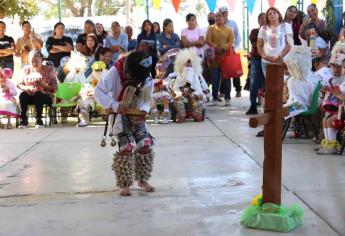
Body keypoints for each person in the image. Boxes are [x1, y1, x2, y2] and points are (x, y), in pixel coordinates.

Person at [94, 51, 155, 196]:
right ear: (126, 72)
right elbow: (98, 92)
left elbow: (147, 99)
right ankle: (124, 184)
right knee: (125, 147)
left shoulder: (146, 75)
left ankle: (142, 179)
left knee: (145, 144)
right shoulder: (115, 71)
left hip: (138, 115)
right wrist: (116, 106)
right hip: (120, 117)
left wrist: (143, 111)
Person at [17, 50, 57, 128]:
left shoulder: (49, 70)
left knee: (38, 94)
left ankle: (39, 120)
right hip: (30, 94)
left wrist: (43, 85)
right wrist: (27, 87)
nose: (34, 63)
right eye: (32, 62)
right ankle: (24, 120)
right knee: (23, 95)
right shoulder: (26, 69)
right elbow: (19, 84)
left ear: (41, 60)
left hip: (45, 96)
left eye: (36, 61)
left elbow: (55, 87)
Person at [206, 10, 234, 106]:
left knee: (226, 78)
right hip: (214, 58)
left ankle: (227, 98)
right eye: (216, 16)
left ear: (224, 17)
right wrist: (216, 47)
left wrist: (223, 48)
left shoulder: (229, 30)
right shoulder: (210, 28)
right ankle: (214, 98)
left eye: (219, 16)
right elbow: (208, 40)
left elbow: (230, 42)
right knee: (215, 78)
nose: (217, 18)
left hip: (225, 57)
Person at [172, 48, 208, 122]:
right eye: (186, 64)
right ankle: (181, 115)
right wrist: (180, 94)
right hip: (182, 94)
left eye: (190, 63)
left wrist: (194, 94)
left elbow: (200, 88)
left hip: (194, 94)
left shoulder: (197, 75)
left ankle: (197, 114)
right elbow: (176, 88)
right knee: (177, 98)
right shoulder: (179, 75)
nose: (188, 65)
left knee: (200, 97)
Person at [258, 7, 293, 77]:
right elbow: (259, 45)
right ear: (267, 17)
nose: (272, 15)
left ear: (278, 14)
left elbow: (289, 44)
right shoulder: (263, 28)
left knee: (284, 85)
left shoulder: (286, 26)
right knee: (270, 86)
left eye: (274, 13)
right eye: (269, 14)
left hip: (283, 61)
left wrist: (280, 56)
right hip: (267, 62)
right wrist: (265, 57)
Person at [246, 13, 266, 115]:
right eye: (261, 19)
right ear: (258, 21)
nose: (264, 20)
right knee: (254, 84)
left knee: (266, 84)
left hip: (267, 60)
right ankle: (253, 105)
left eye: (265, 19)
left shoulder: (271, 32)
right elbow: (256, 45)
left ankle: (266, 105)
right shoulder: (255, 31)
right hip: (257, 60)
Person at [219, 6, 242, 97]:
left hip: (231, 50)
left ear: (228, 13)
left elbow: (238, 37)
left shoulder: (233, 23)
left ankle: (238, 90)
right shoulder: (218, 24)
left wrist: (234, 47)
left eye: (225, 12)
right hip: (221, 51)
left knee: (235, 70)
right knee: (223, 71)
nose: (224, 14)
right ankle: (223, 91)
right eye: (222, 12)